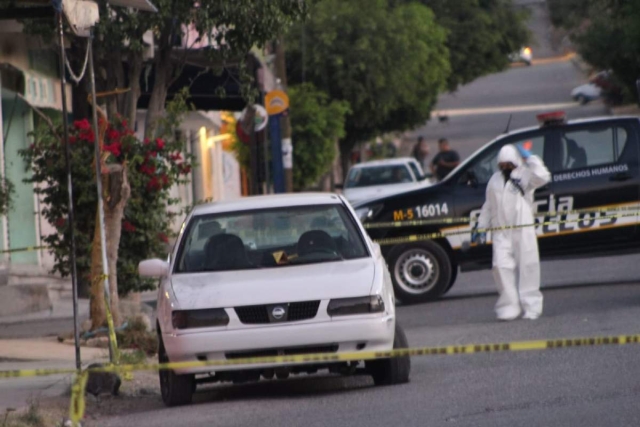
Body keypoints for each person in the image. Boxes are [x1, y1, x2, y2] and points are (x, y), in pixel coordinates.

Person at [473, 144, 551, 321]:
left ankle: (532, 307)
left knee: (528, 267)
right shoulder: (494, 180)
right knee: (500, 267)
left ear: (515, 162)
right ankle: (509, 307)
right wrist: (480, 227)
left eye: (509, 164)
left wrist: (531, 158)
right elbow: (488, 206)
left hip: (522, 229)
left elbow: (543, 176)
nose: (505, 168)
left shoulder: (525, 175)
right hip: (501, 233)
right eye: (502, 165)